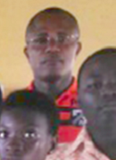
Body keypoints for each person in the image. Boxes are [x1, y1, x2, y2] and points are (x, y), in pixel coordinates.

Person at [24, 7, 85, 143]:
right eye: (41, 40)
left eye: (62, 39)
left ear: (77, 49)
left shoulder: (93, 105)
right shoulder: (12, 109)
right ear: (27, 53)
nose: (52, 47)